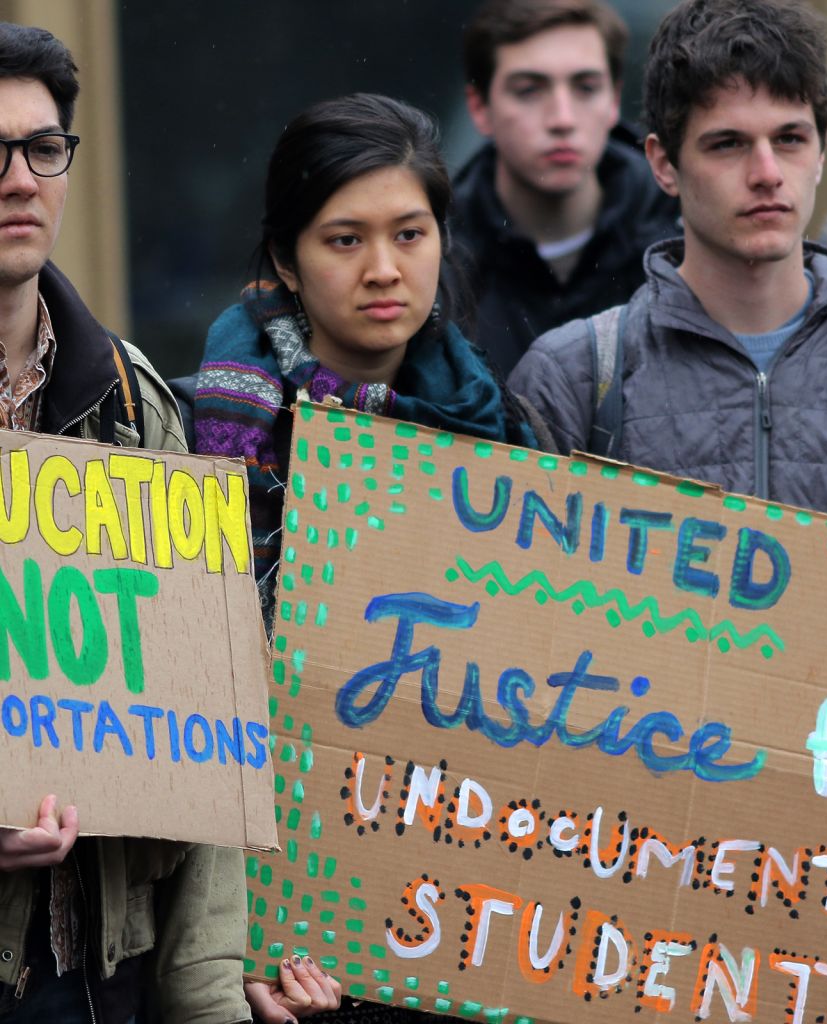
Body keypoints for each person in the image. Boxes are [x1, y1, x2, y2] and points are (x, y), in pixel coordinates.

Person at [185, 91, 541, 1021]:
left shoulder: (508, 441)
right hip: (278, 933)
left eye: (410, 234)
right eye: (344, 240)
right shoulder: (199, 438)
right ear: (285, 262)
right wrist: (237, 950)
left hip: (466, 927)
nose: (384, 269)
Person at [0, 22, 253, 1024]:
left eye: (44, 148)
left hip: (107, 979)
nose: (20, 180)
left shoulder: (136, 403)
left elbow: (204, 717)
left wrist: (206, 998)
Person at [508, 0, 827, 519]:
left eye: (790, 139)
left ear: (821, 154)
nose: (767, 172)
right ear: (664, 165)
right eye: (728, 143)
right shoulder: (574, 376)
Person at [452, 0, 680, 376]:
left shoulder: (685, 241)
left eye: (586, 87)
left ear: (613, 100)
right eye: (529, 90)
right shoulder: (438, 259)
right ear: (480, 108)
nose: (562, 118)